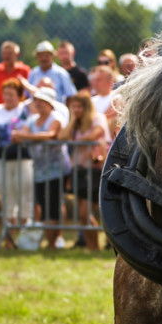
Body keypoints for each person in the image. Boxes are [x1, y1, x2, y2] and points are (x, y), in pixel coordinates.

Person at [15, 88, 69, 249]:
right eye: (36, 100)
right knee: (43, 205)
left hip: (56, 169)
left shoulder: (56, 118)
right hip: (39, 170)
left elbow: (50, 134)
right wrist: (26, 136)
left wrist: (25, 136)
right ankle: (50, 241)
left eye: (41, 101)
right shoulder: (32, 120)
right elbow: (20, 133)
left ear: (49, 104)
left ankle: (53, 242)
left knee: (52, 205)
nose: (37, 104)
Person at [60, 94, 110, 250]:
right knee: (83, 213)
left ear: (86, 107)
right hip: (79, 169)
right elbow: (62, 136)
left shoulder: (98, 118)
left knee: (87, 212)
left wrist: (76, 142)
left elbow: (95, 134)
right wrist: (73, 120)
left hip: (95, 170)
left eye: (79, 106)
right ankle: (92, 247)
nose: (76, 110)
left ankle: (100, 245)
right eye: (73, 107)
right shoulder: (75, 123)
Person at [0, 78, 34, 243]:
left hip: (23, 159)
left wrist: (26, 85)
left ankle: (23, 237)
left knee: (24, 195)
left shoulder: (26, 109)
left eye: (11, 94)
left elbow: (41, 98)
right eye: (5, 94)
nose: (7, 97)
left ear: (19, 95)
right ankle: (9, 238)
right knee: (6, 196)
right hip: (2, 159)